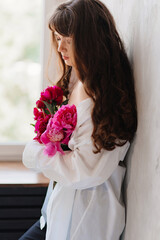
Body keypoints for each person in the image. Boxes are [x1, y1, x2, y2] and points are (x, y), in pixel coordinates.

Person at [20, 0, 137, 239]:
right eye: (58, 38)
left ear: (89, 42)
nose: (60, 48)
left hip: (85, 214)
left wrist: (36, 153)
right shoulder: (79, 79)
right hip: (58, 207)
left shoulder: (101, 96)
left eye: (68, 41)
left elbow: (85, 171)